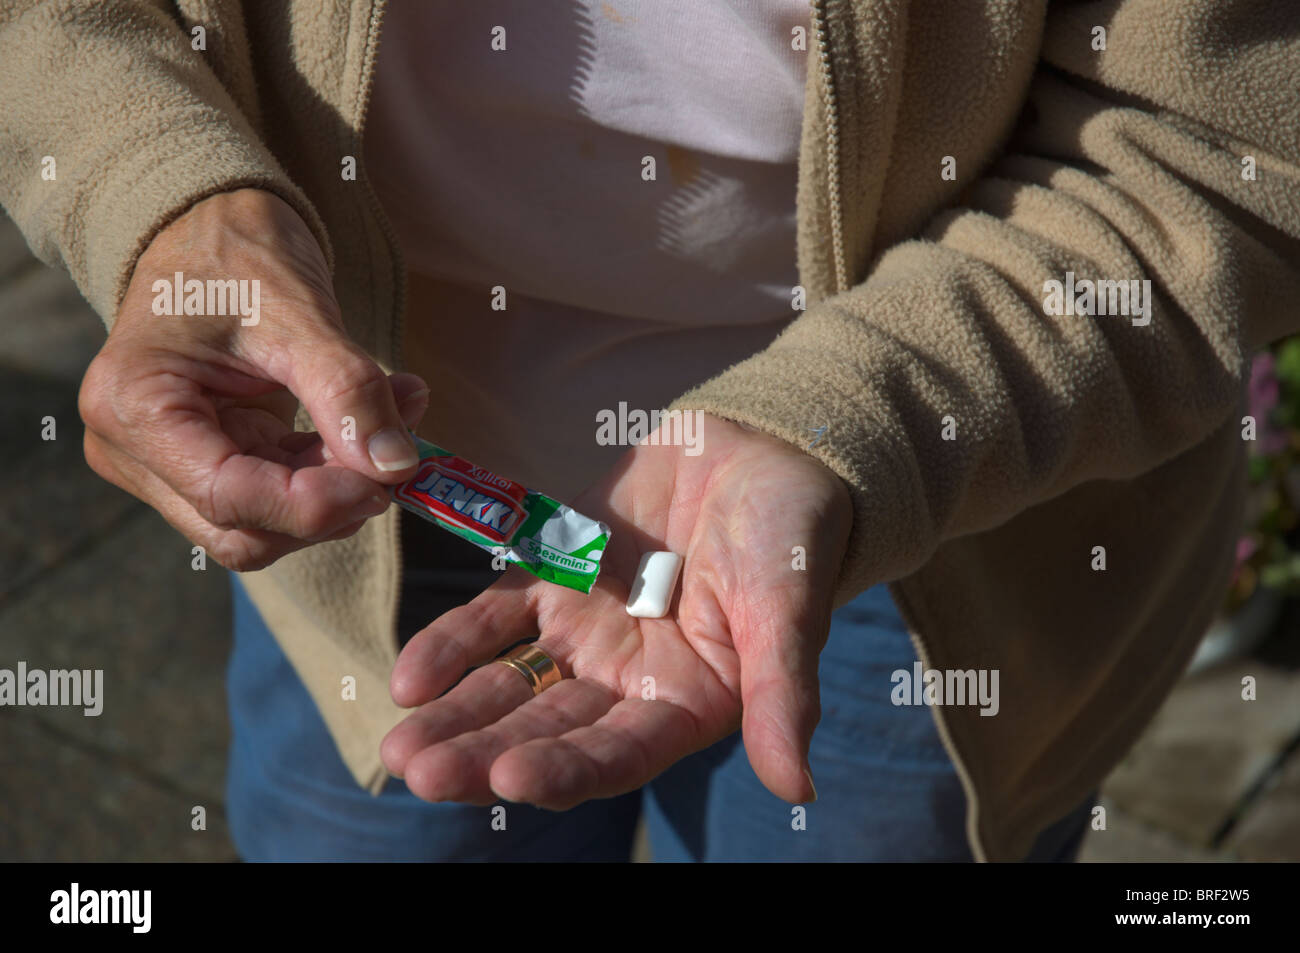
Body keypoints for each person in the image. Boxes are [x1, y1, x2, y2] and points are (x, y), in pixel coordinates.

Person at [2, 0, 1296, 862]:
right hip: (360, 524)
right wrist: (170, 202)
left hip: (932, 527)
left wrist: (850, 420)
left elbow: (1236, 145)